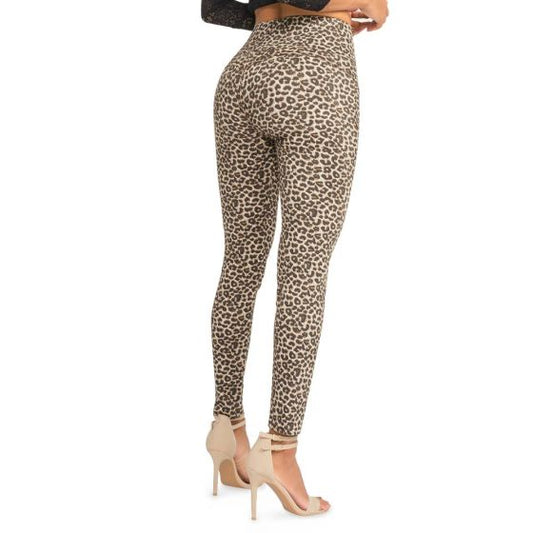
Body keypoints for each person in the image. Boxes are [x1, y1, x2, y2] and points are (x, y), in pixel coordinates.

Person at [202, 0, 389, 518]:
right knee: (303, 269)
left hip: (244, 74)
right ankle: (280, 451)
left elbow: (217, 6)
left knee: (240, 262)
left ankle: (228, 428)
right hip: (315, 80)